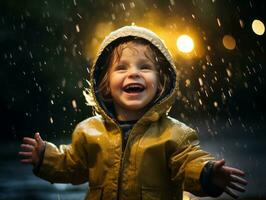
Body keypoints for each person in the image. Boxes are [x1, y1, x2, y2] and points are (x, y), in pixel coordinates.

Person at [19, 26, 247, 200]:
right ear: (106, 85)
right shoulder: (88, 131)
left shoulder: (174, 134)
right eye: (121, 68)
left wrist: (208, 174)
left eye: (144, 67)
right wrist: (44, 158)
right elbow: (72, 166)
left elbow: (188, 163)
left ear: (160, 84)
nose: (134, 73)